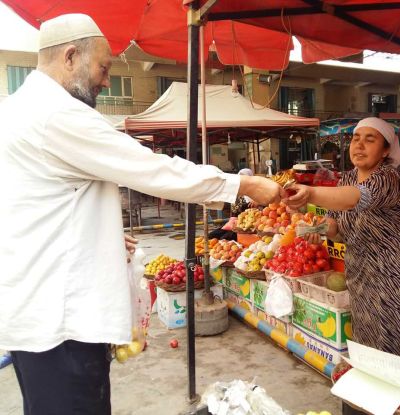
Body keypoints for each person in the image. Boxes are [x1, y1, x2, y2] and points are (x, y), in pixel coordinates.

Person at [0, 14, 284, 415]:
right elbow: (152, 169)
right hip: (60, 324)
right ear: (69, 56)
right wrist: (243, 185)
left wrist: (96, 233)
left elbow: (34, 206)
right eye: (103, 69)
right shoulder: (55, 113)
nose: (104, 81)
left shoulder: (18, 111)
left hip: (35, 315)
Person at [285, 117, 400, 362]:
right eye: (356, 139)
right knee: (369, 337)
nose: (360, 145)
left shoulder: (389, 178)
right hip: (361, 271)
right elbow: (336, 225)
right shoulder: (346, 179)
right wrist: (318, 229)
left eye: (370, 139)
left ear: (386, 150)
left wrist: (310, 193)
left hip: (396, 272)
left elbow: (355, 199)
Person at [208, 168, 259, 240]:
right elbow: (230, 208)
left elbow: (257, 213)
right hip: (231, 224)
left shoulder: (254, 195)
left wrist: (257, 202)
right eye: (240, 178)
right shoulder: (236, 193)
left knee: (224, 238)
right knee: (211, 235)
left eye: (244, 178)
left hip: (244, 227)